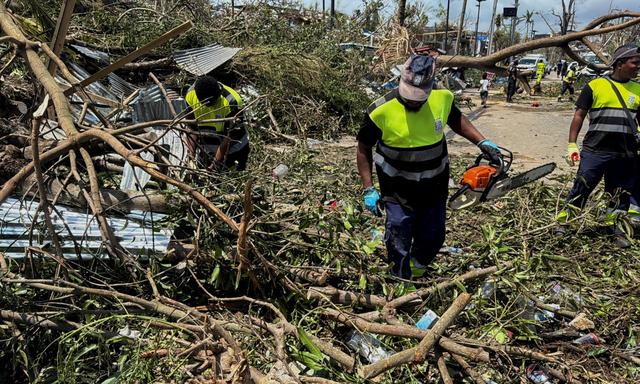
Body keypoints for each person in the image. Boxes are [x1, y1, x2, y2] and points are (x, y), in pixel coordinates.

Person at [356, 53, 503, 280]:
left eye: (419, 97)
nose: (414, 101)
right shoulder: (380, 110)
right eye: (409, 96)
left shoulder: (442, 99)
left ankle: (417, 266)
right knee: (398, 237)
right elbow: (363, 148)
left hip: (434, 186)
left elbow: (457, 120)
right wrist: (368, 188)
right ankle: (401, 279)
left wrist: (481, 141)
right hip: (396, 190)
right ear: (401, 82)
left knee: (434, 236)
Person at [556, 43, 640, 248]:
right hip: (596, 150)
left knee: (619, 195)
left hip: (625, 154)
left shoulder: (638, 89)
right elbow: (579, 115)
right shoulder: (594, 86)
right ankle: (564, 223)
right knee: (582, 188)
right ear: (620, 63)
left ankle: (616, 229)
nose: (638, 67)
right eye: (634, 63)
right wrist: (571, 145)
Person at [185, 75, 250, 171]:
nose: (209, 107)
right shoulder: (191, 96)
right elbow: (192, 128)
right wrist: (191, 156)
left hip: (234, 150)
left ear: (219, 93)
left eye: (213, 103)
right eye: (205, 104)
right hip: (208, 150)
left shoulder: (232, 101)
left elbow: (230, 138)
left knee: (232, 178)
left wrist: (214, 165)